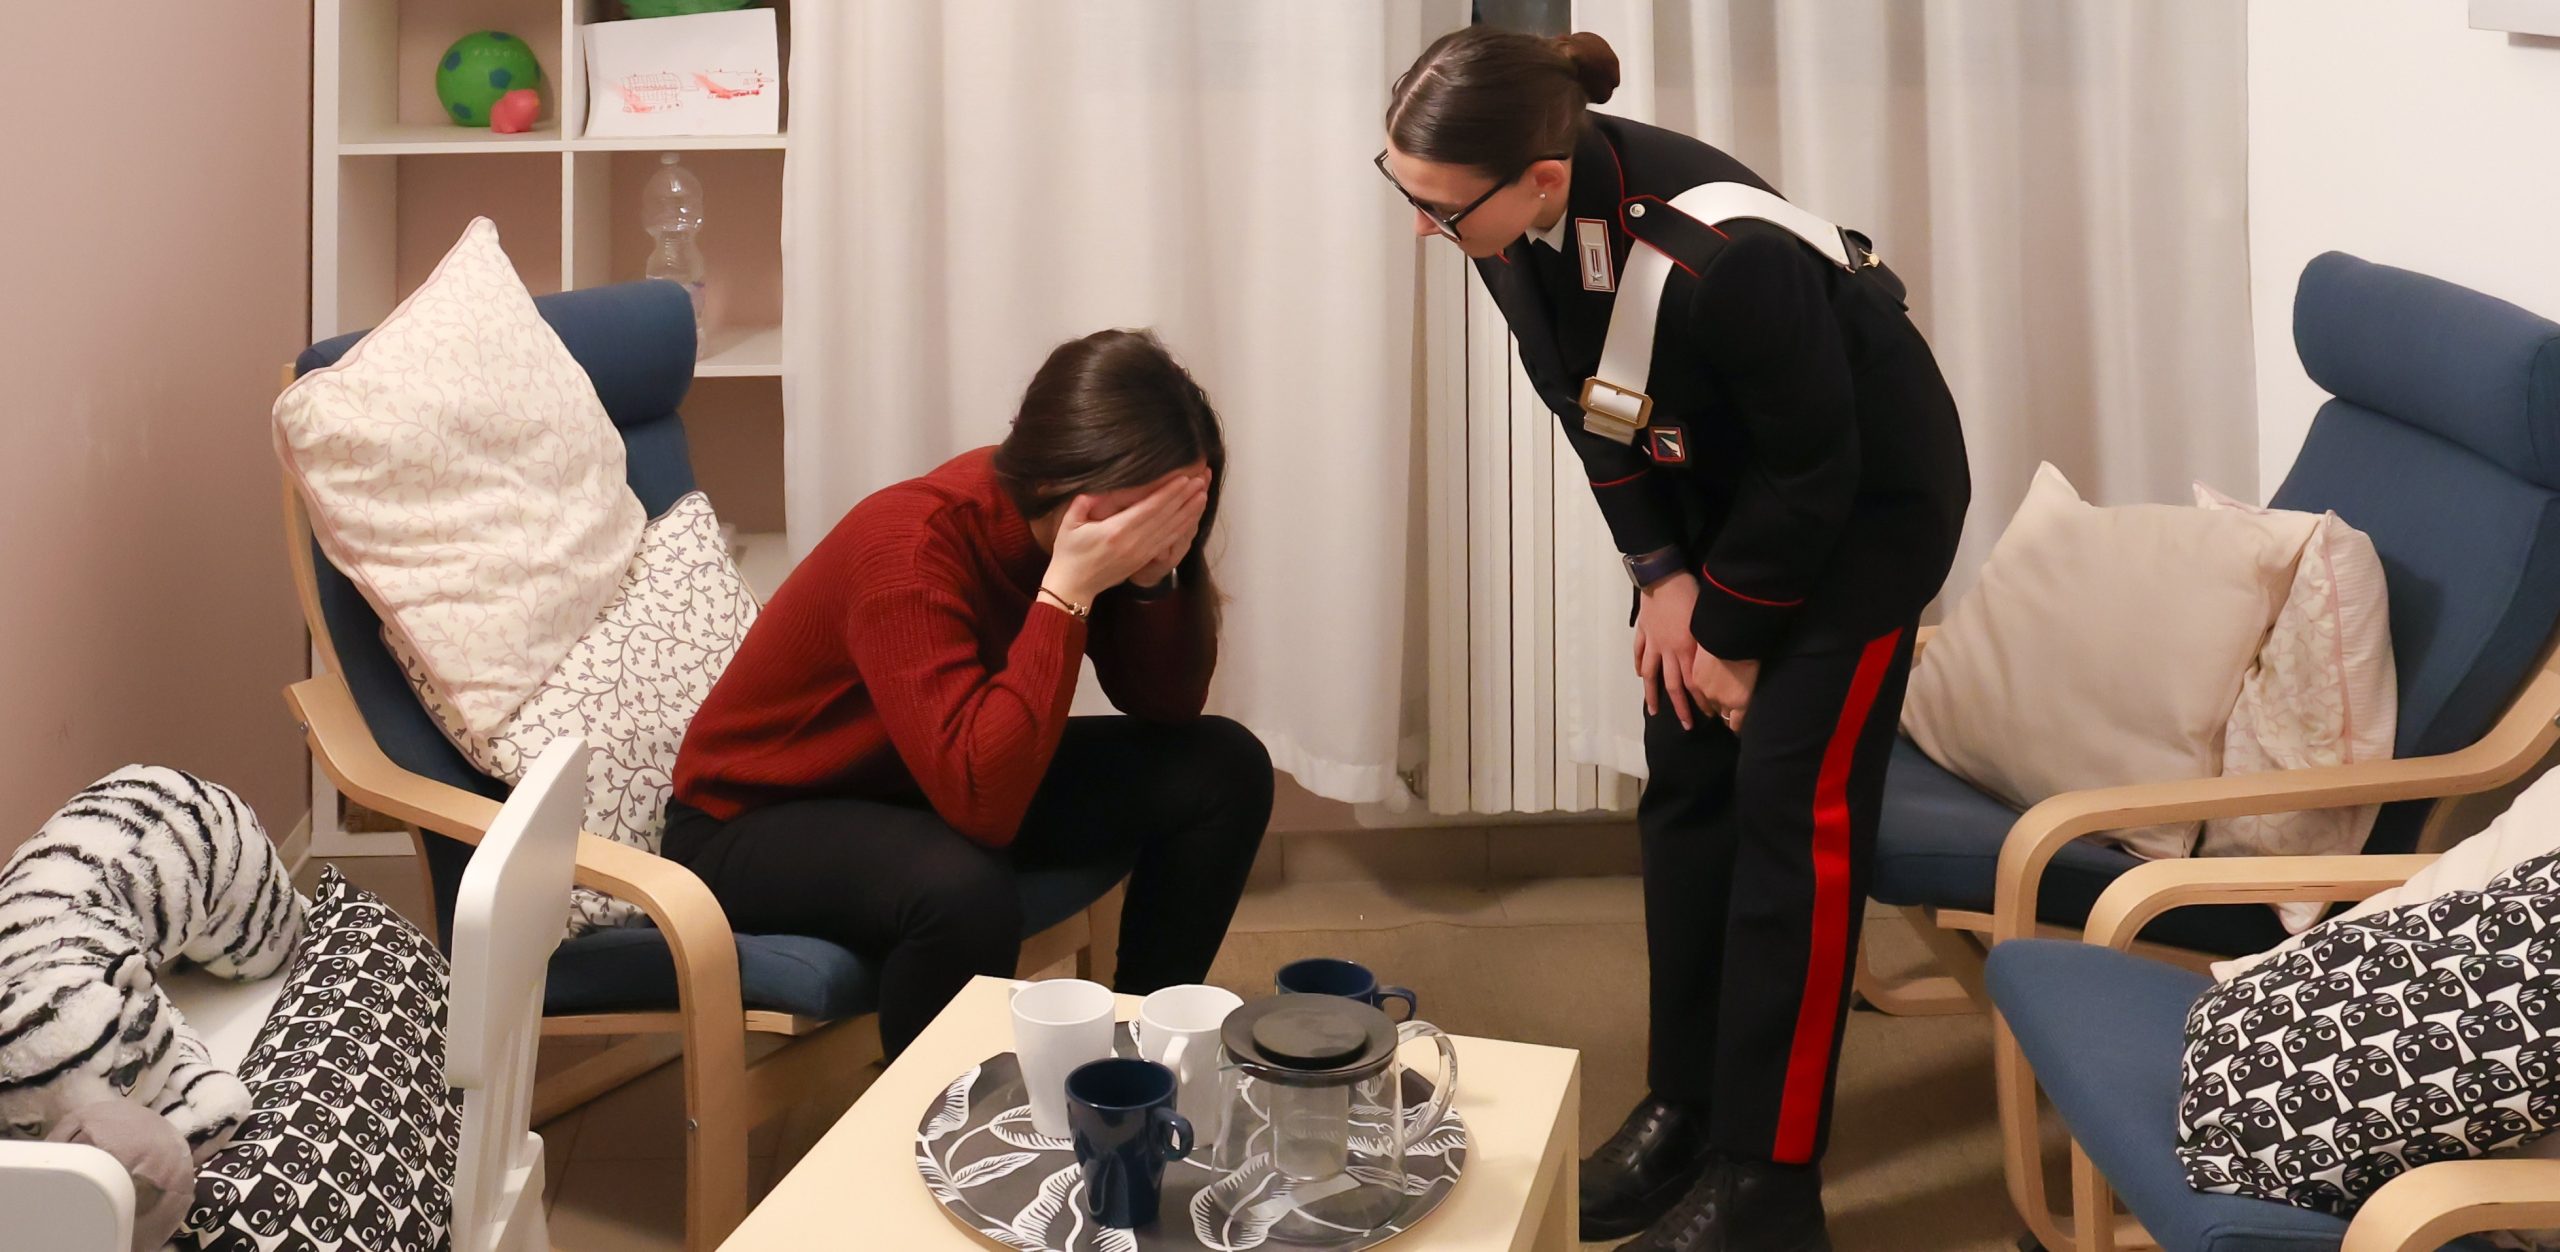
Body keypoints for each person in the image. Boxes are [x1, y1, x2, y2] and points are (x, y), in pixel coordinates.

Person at [1379, 28, 1971, 1252]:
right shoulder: (1509, 222)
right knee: (1686, 796)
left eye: (1439, 209)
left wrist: (1736, 632)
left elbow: (1817, 468)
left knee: (1790, 824)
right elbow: (1586, 403)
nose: (1423, 230)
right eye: (1406, 194)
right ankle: (1686, 1109)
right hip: (1719, 504)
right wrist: (1659, 577)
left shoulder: (1721, 258)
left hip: (1859, 521)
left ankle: (1767, 1181)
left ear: (1540, 178)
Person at [666, 328, 1274, 1058]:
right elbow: (983, 805)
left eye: (1180, 511)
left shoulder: (1080, 526)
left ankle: (1141, 1058)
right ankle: (938, 1111)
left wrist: (1152, 582)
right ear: (1056, 482)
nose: (1155, 532)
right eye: (1145, 515)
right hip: (749, 821)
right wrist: (1067, 594)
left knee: (1223, 769)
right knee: (962, 889)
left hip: (920, 778)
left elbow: (1166, 707)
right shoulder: (911, 548)